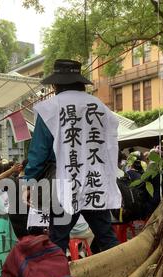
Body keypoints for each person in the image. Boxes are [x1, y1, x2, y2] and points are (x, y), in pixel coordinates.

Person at [25, 59, 121, 253]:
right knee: (106, 235)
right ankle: (123, 274)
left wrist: (29, 181)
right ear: (81, 82)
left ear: (55, 84)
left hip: (64, 184)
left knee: (58, 238)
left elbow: (39, 152)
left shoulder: (50, 108)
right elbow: (111, 147)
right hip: (96, 181)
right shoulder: (101, 108)